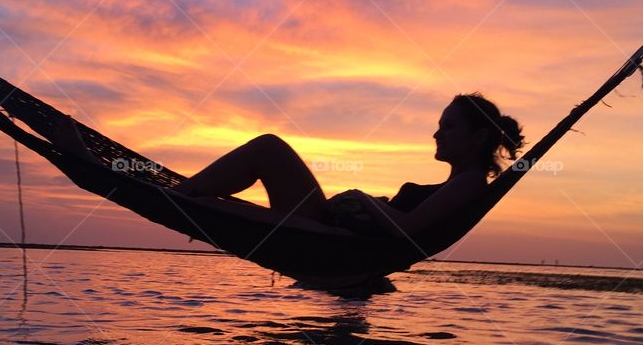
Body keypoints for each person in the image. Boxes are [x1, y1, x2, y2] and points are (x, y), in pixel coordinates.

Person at [172, 93, 524, 239]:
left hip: (328, 235)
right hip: (328, 227)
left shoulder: (470, 182)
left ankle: (178, 198)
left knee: (268, 148)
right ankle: (185, 198)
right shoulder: (459, 182)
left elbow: (409, 228)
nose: (437, 134)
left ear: (477, 137)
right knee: (267, 150)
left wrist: (365, 199)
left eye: (449, 127)